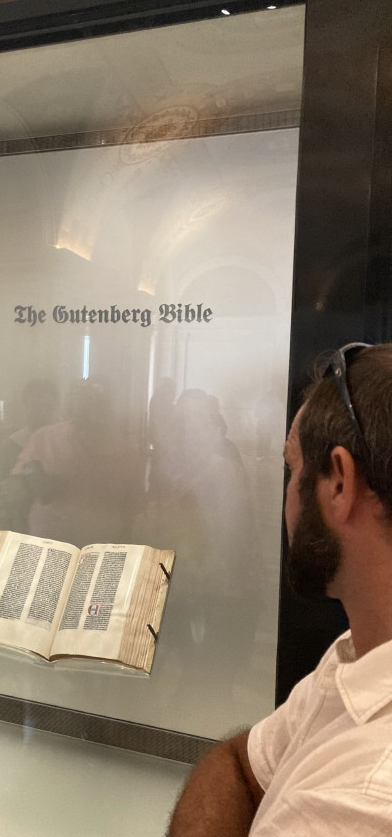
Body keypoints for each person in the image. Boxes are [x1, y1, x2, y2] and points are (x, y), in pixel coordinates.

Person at [167, 342, 392, 836]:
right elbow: (239, 765)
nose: (287, 494)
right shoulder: (358, 653)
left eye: (293, 469)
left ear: (339, 484)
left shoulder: (362, 806)